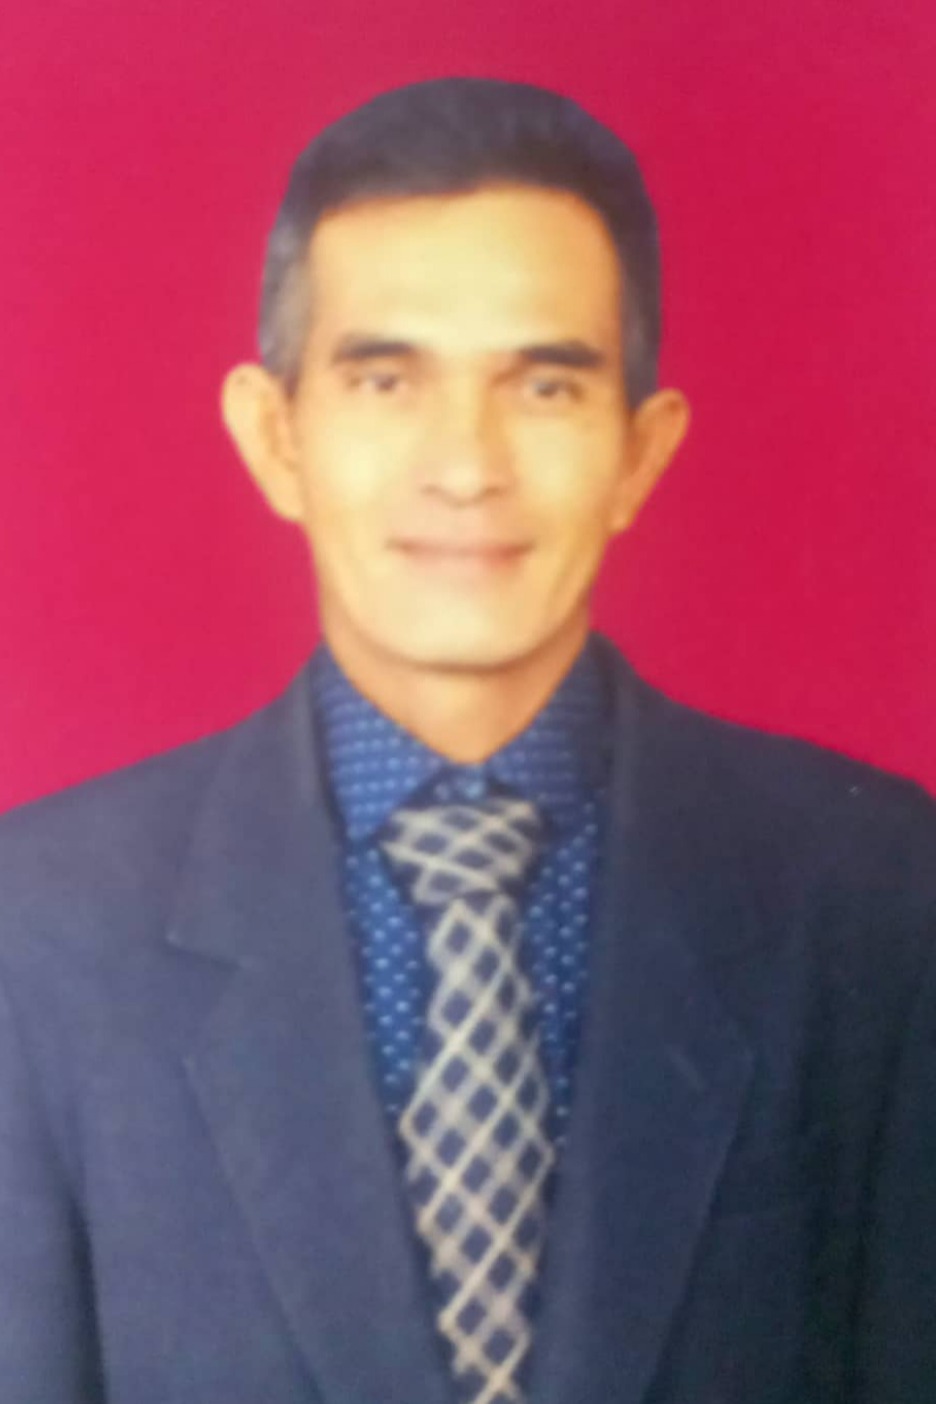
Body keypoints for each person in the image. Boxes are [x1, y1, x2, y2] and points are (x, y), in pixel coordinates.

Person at [0, 76, 933, 1404]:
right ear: (275, 438)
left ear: (641, 451)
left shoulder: (880, 896)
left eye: (545, 387)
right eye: (386, 381)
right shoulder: (39, 929)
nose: (467, 466)